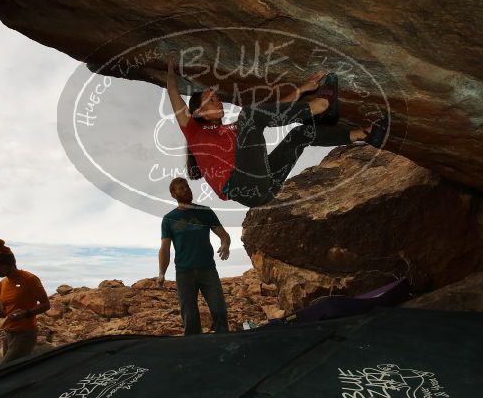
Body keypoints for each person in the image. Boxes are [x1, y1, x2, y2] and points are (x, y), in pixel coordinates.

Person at [165, 53, 389, 207]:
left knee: (298, 135)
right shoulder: (193, 131)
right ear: (198, 113)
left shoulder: (234, 131)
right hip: (244, 188)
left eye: (217, 98)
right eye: (211, 100)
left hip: (266, 186)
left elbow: (274, 112)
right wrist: (170, 69)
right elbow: (172, 91)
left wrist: (302, 89)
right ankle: (321, 105)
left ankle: (364, 135)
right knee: (249, 114)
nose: (219, 102)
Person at [158, 177, 230, 335]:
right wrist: (162, 273)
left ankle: (225, 344)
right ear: (173, 194)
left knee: (219, 311)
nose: (187, 190)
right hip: (184, 273)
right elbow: (165, 248)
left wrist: (225, 244)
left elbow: (224, 234)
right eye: (181, 188)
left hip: (208, 270)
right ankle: (194, 348)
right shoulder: (169, 219)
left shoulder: (205, 212)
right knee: (190, 318)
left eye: (187, 187)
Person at [0, 239, 50, 363]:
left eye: (0, 265)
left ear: (11, 264)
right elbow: (6, 313)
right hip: (9, 334)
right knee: (13, 373)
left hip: (25, 334)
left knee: (4, 370)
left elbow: (46, 304)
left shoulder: (29, 279)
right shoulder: (3, 284)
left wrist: (26, 313)